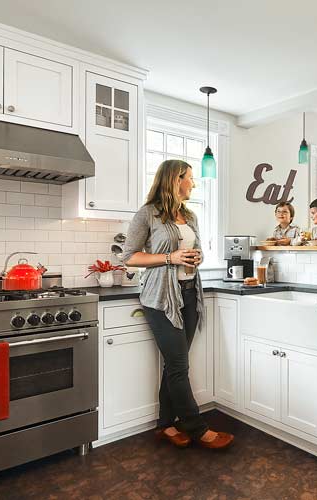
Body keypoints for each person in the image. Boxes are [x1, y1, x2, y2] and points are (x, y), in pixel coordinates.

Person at [123, 159, 234, 450]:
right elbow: (130, 257)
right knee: (178, 365)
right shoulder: (148, 214)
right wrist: (169, 258)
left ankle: (165, 424)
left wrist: (197, 257)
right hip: (160, 296)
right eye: (190, 179)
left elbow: (196, 251)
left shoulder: (190, 215)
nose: (193, 184)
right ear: (175, 179)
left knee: (175, 365)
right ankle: (197, 428)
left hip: (189, 294)